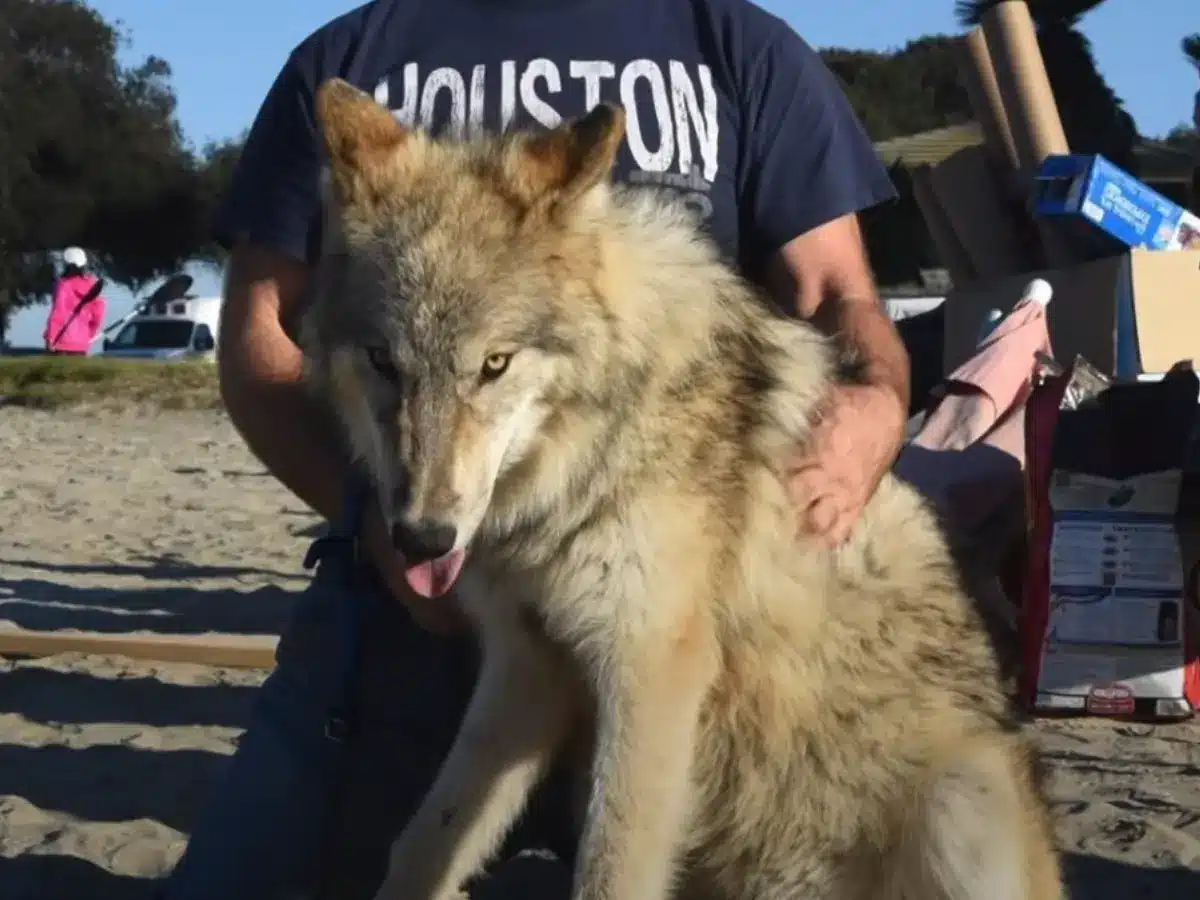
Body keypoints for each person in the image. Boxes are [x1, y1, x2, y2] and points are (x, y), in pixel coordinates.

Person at [163, 1, 910, 897]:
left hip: (664, 590)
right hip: (405, 616)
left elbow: (837, 293)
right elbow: (262, 341)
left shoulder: (739, 45)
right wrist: (364, 515)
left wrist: (877, 400)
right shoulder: (351, 52)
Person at [43, 247, 106, 355]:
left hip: (61, 342)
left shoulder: (63, 285)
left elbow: (59, 312)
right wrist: (89, 333)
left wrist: (51, 337)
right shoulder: (91, 285)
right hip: (81, 343)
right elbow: (98, 314)